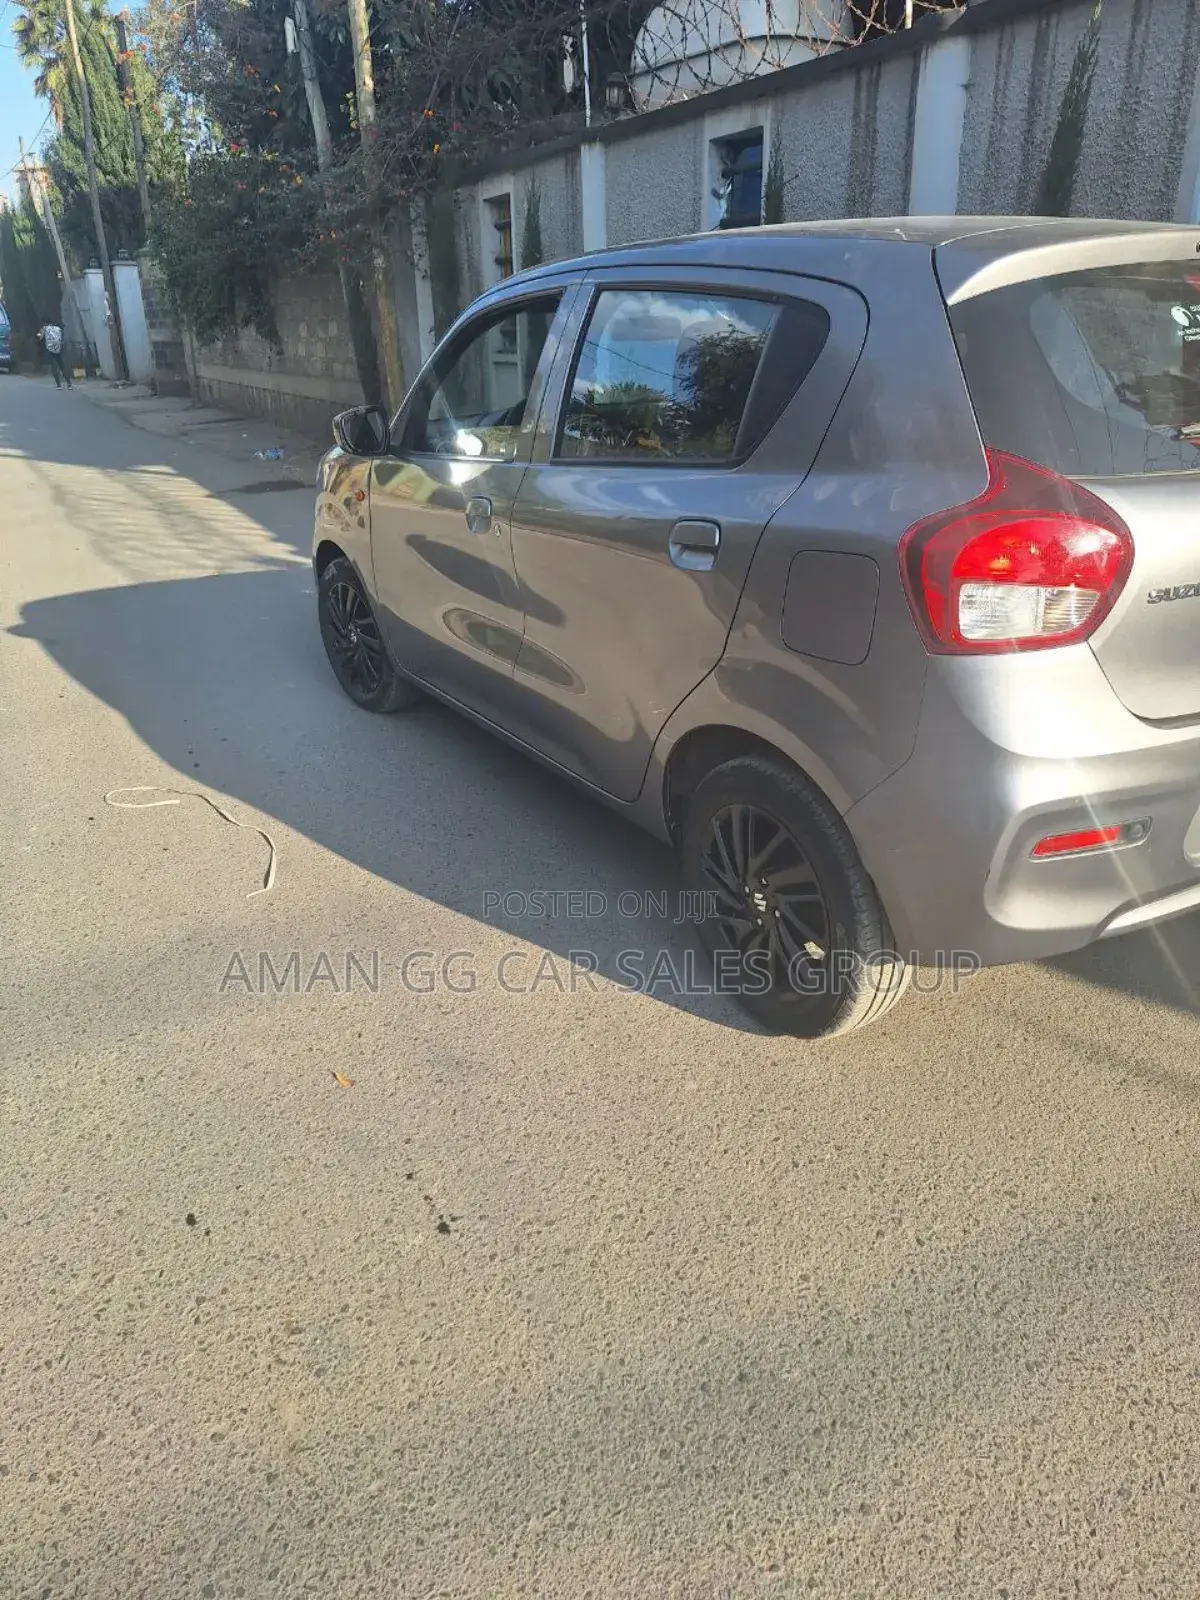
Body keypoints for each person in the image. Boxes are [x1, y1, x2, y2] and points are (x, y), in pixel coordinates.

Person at [37, 321, 72, 389]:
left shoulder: (45, 328)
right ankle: (69, 383)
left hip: (50, 349)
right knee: (62, 366)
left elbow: (40, 337)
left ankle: (59, 385)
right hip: (58, 348)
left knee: (53, 366)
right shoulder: (58, 328)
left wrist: (38, 335)